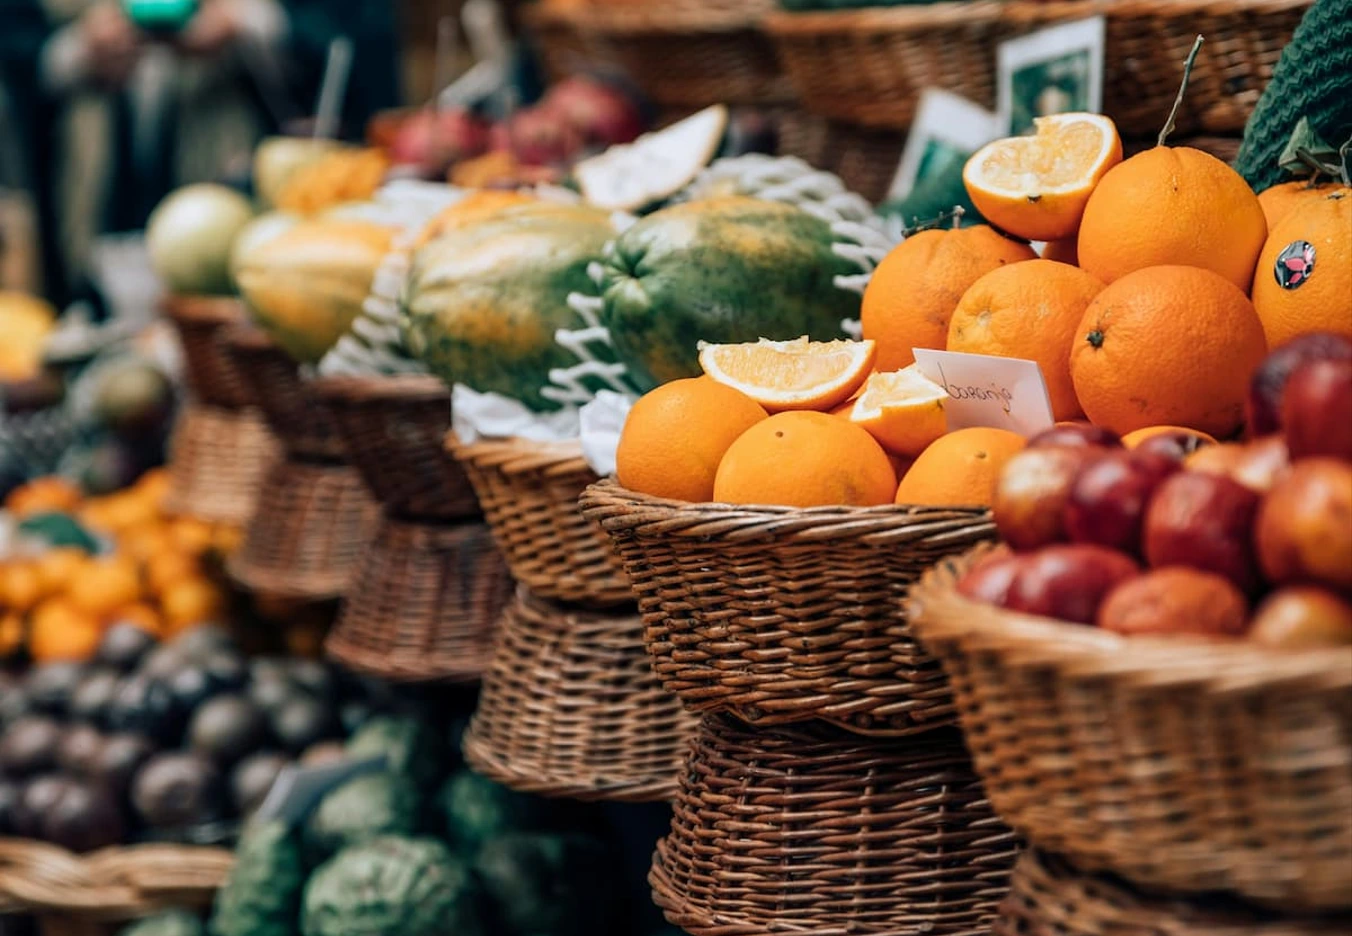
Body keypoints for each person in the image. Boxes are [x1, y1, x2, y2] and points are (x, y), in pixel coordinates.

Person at [0, 0, 401, 313]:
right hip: (94, 192)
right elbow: (19, 41)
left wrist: (246, 21)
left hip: (236, 179)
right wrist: (77, 50)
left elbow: (355, 32)